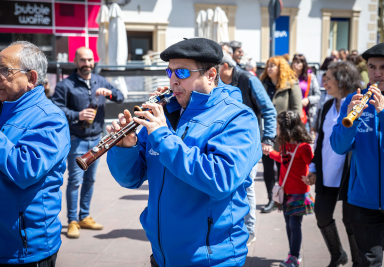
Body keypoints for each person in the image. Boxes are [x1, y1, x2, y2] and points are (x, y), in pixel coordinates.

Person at [106, 38, 262, 267]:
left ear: (210, 75)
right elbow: (130, 179)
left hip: (211, 259)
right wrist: (124, 148)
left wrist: (162, 136)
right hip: (162, 255)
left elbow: (221, 180)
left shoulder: (238, 117)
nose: (173, 80)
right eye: (169, 71)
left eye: (181, 72)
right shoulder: (166, 113)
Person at [0, 41, 70, 265]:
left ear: (31, 79)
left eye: (5, 70)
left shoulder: (50, 118)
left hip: (23, 250)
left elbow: (24, 168)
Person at [330, 42, 384, 266]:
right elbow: (339, 147)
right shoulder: (355, 100)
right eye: (372, 67)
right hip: (363, 199)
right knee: (367, 261)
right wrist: (350, 122)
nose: (376, 73)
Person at [51, 47, 124, 239]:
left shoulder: (100, 80)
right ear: (75, 62)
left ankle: (84, 216)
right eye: (83, 60)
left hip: (97, 140)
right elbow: (56, 108)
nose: (87, 64)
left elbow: (120, 97)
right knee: (75, 181)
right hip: (76, 139)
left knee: (90, 180)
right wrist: (78, 115)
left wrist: (109, 93)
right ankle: (72, 221)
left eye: (90, 60)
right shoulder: (65, 85)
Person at [305, 61, 362, 267]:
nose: (324, 81)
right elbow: (320, 140)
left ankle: (359, 261)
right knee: (321, 214)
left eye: (328, 78)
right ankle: (338, 254)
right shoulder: (328, 105)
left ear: (342, 80)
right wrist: (313, 167)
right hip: (327, 169)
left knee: (351, 222)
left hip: (350, 173)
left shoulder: (358, 102)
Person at [219, 53, 277, 241]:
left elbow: (269, 110)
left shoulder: (248, 79)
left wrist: (268, 138)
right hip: (224, 143)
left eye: (214, 67)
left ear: (225, 65)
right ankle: (231, 227)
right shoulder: (216, 81)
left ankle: (249, 229)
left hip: (249, 143)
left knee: (247, 186)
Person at [269, 110, 314, 267]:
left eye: (277, 127)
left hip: (299, 193)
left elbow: (313, 164)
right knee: (289, 224)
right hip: (285, 192)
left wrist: (311, 176)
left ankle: (294, 256)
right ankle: (292, 253)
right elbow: (283, 159)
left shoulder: (304, 148)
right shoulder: (286, 144)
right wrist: (270, 152)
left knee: (294, 225)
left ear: (285, 129)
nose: (276, 130)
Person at [259, 56, 302, 213]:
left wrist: (291, 133)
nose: (269, 68)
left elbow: (297, 111)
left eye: (273, 65)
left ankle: (285, 198)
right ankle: (272, 198)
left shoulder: (291, 85)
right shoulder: (261, 85)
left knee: (284, 168)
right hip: (265, 134)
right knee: (268, 168)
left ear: (281, 67)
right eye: (268, 65)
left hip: (285, 135)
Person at [291, 54, 321, 130]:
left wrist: (308, 99)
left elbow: (318, 96)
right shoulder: (288, 77)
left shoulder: (310, 77)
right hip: (291, 112)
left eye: (298, 62)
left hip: (306, 115)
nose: (295, 64)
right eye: (294, 62)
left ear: (303, 64)